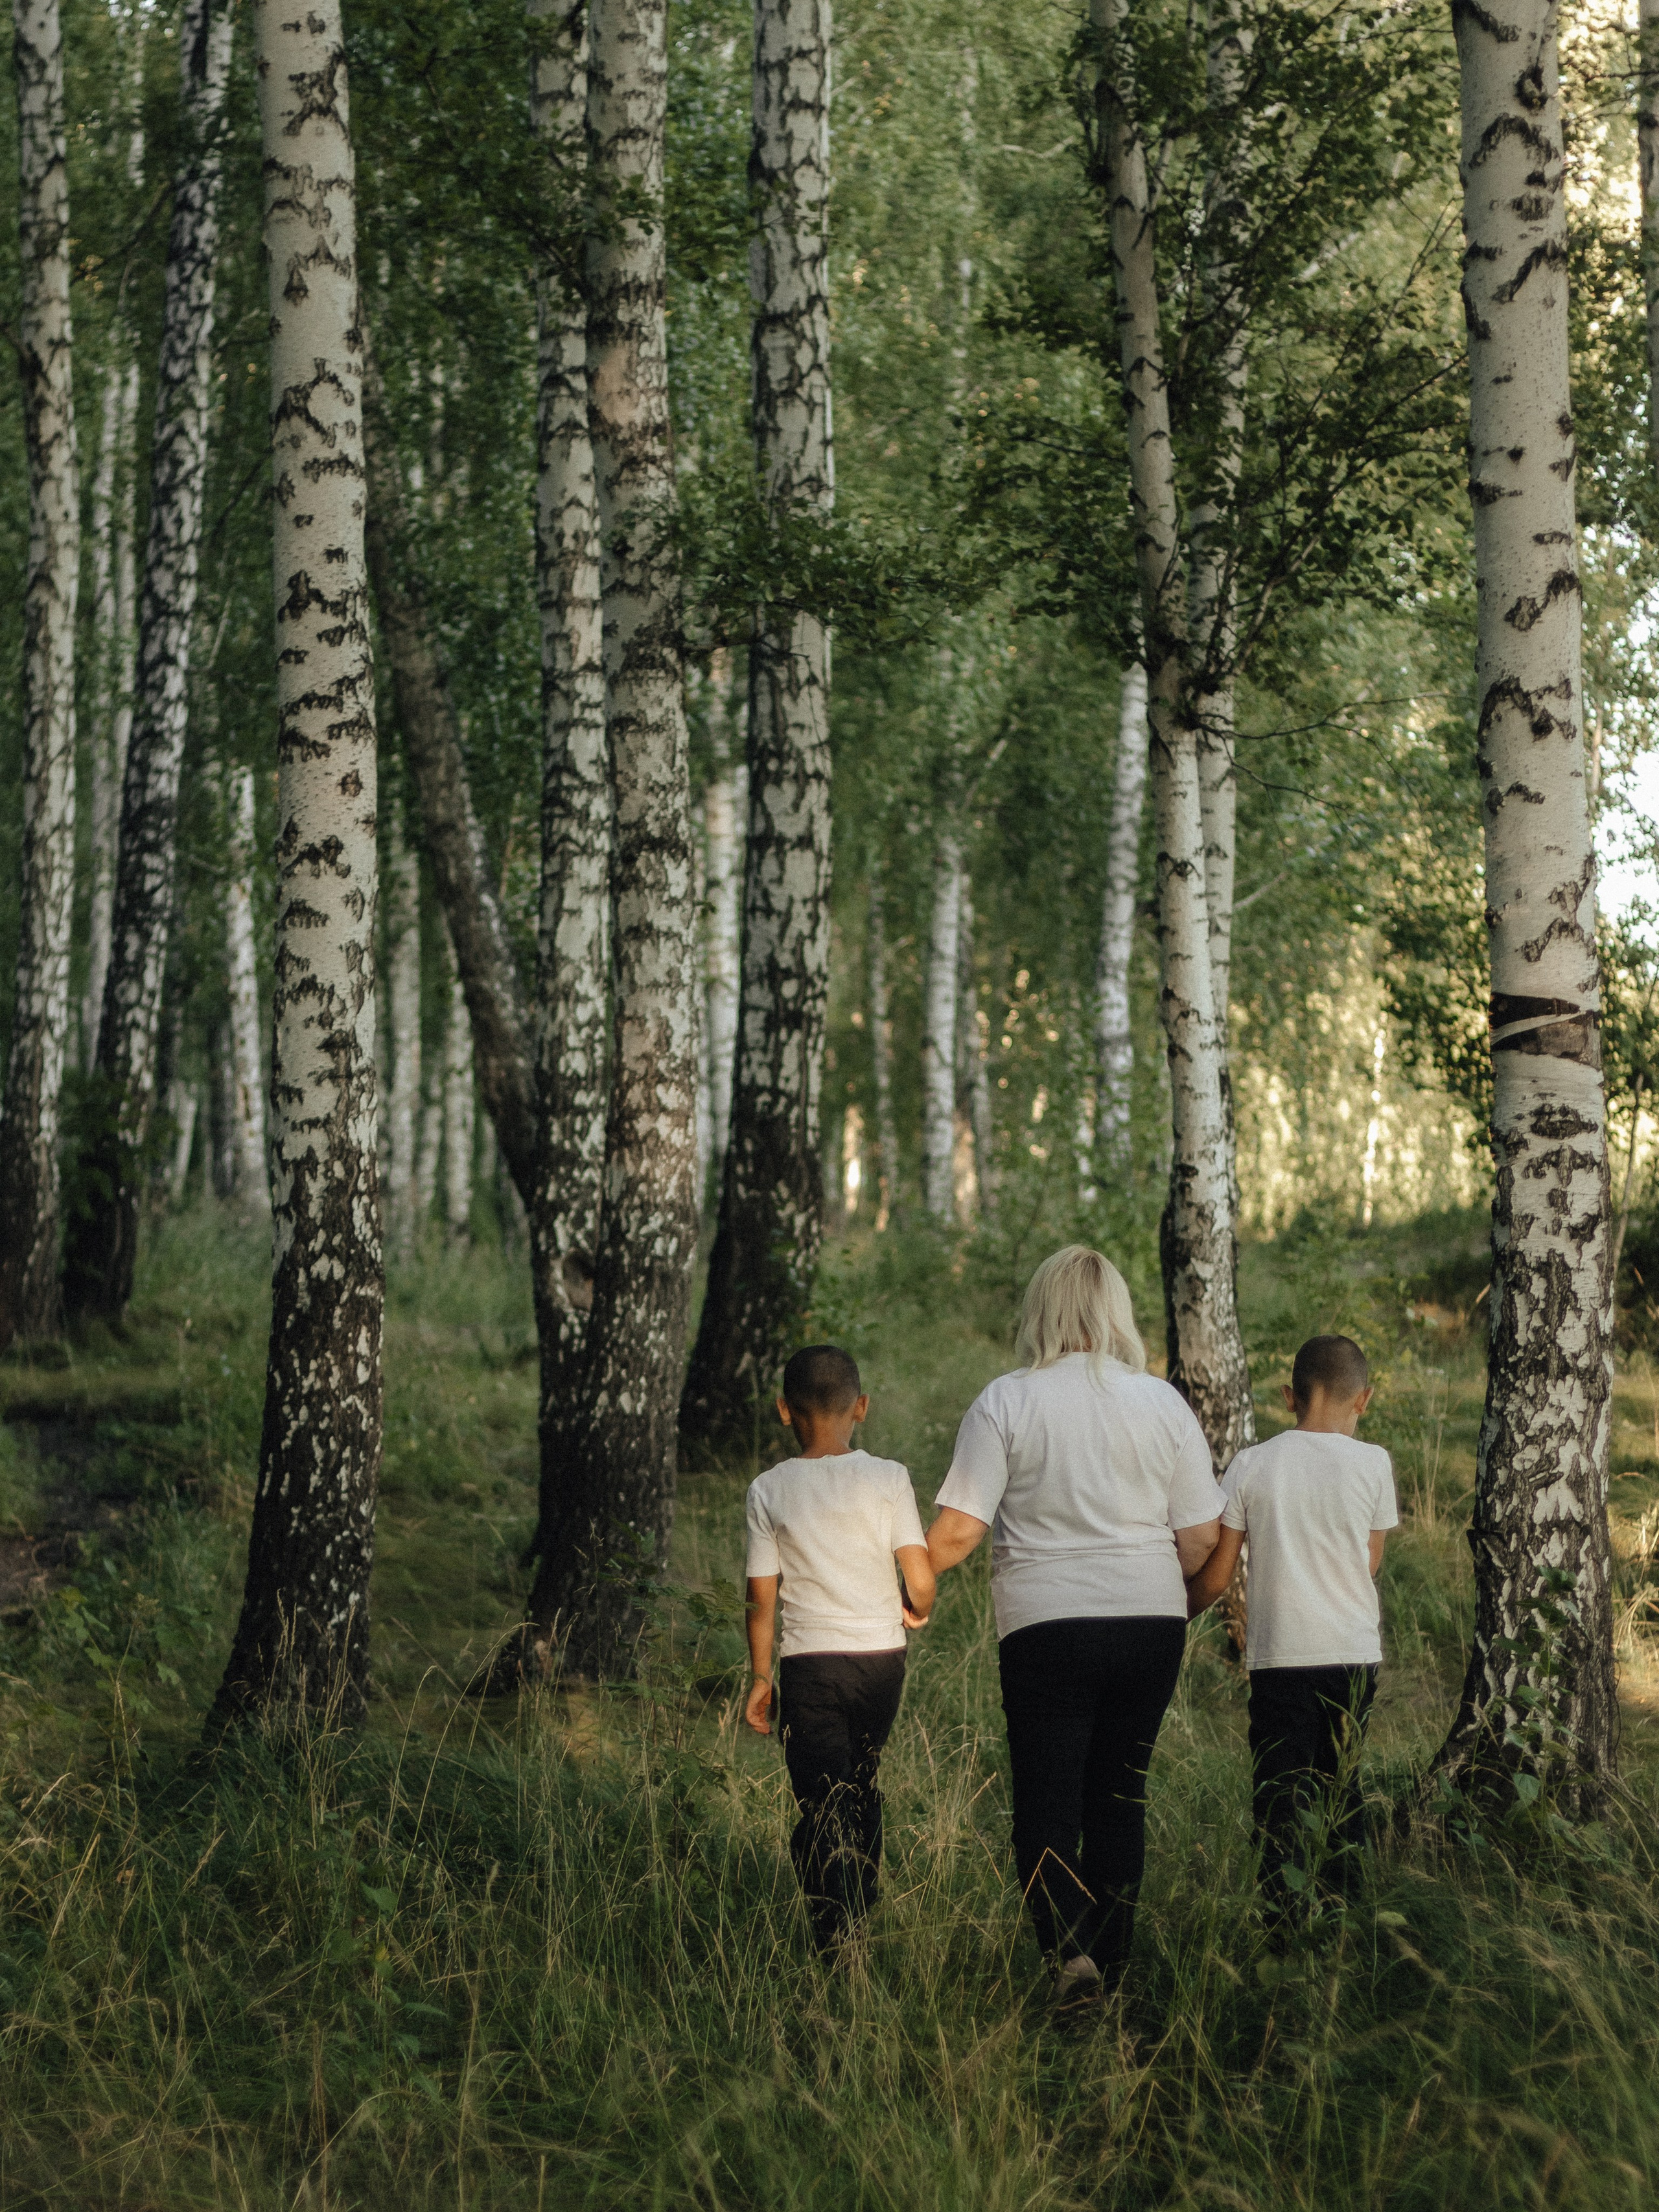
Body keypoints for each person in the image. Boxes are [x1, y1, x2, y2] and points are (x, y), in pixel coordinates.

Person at [925, 1246, 1224, 2005]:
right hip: (1151, 1621)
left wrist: (896, 1583)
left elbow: (958, 1530)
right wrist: (1160, 1603)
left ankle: (1069, 1957)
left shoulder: (1006, 1400)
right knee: (1119, 1797)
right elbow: (1198, 1542)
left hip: (1046, 1625)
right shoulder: (1162, 1403)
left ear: (1041, 1309)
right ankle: (1115, 1968)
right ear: (1116, 1311)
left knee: (1048, 1798)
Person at [1186, 1333, 1397, 1923]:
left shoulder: (1252, 1464)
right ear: (1364, 1399)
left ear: (1288, 1396)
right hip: (1354, 1654)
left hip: (1280, 1659)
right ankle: (1343, 1914)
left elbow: (1219, 1574)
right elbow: (1370, 1560)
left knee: (1281, 1792)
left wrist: (1176, 1610)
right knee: (1340, 1785)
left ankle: (1283, 1923)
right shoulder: (1374, 1463)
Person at [744, 1344, 935, 1951]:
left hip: (809, 1665)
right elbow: (921, 1576)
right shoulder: (890, 1477)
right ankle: (859, 1893)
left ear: (783, 1410)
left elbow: (761, 1597)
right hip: (882, 1662)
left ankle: (839, 1930)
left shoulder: (769, 1489)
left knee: (822, 1801)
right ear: (862, 1407)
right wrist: (919, 1607)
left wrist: (759, 1677)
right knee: (859, 1778)